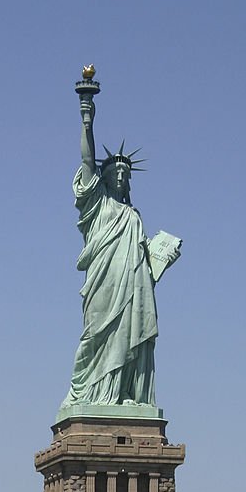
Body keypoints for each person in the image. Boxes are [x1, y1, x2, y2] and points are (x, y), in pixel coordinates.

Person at [60, 90, 158, 409]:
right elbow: (87, 160)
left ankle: (122, 394)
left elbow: (143, 261)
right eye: (114, 173)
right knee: (94, 338)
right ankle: (85, 394)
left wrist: (159, 258)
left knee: (127, 336)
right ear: (103, 178)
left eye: (124, 175)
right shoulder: (97, 205)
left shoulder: (133, 216)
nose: (119, 177)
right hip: (103, 283)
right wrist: (87, 117)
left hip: (131, 287)